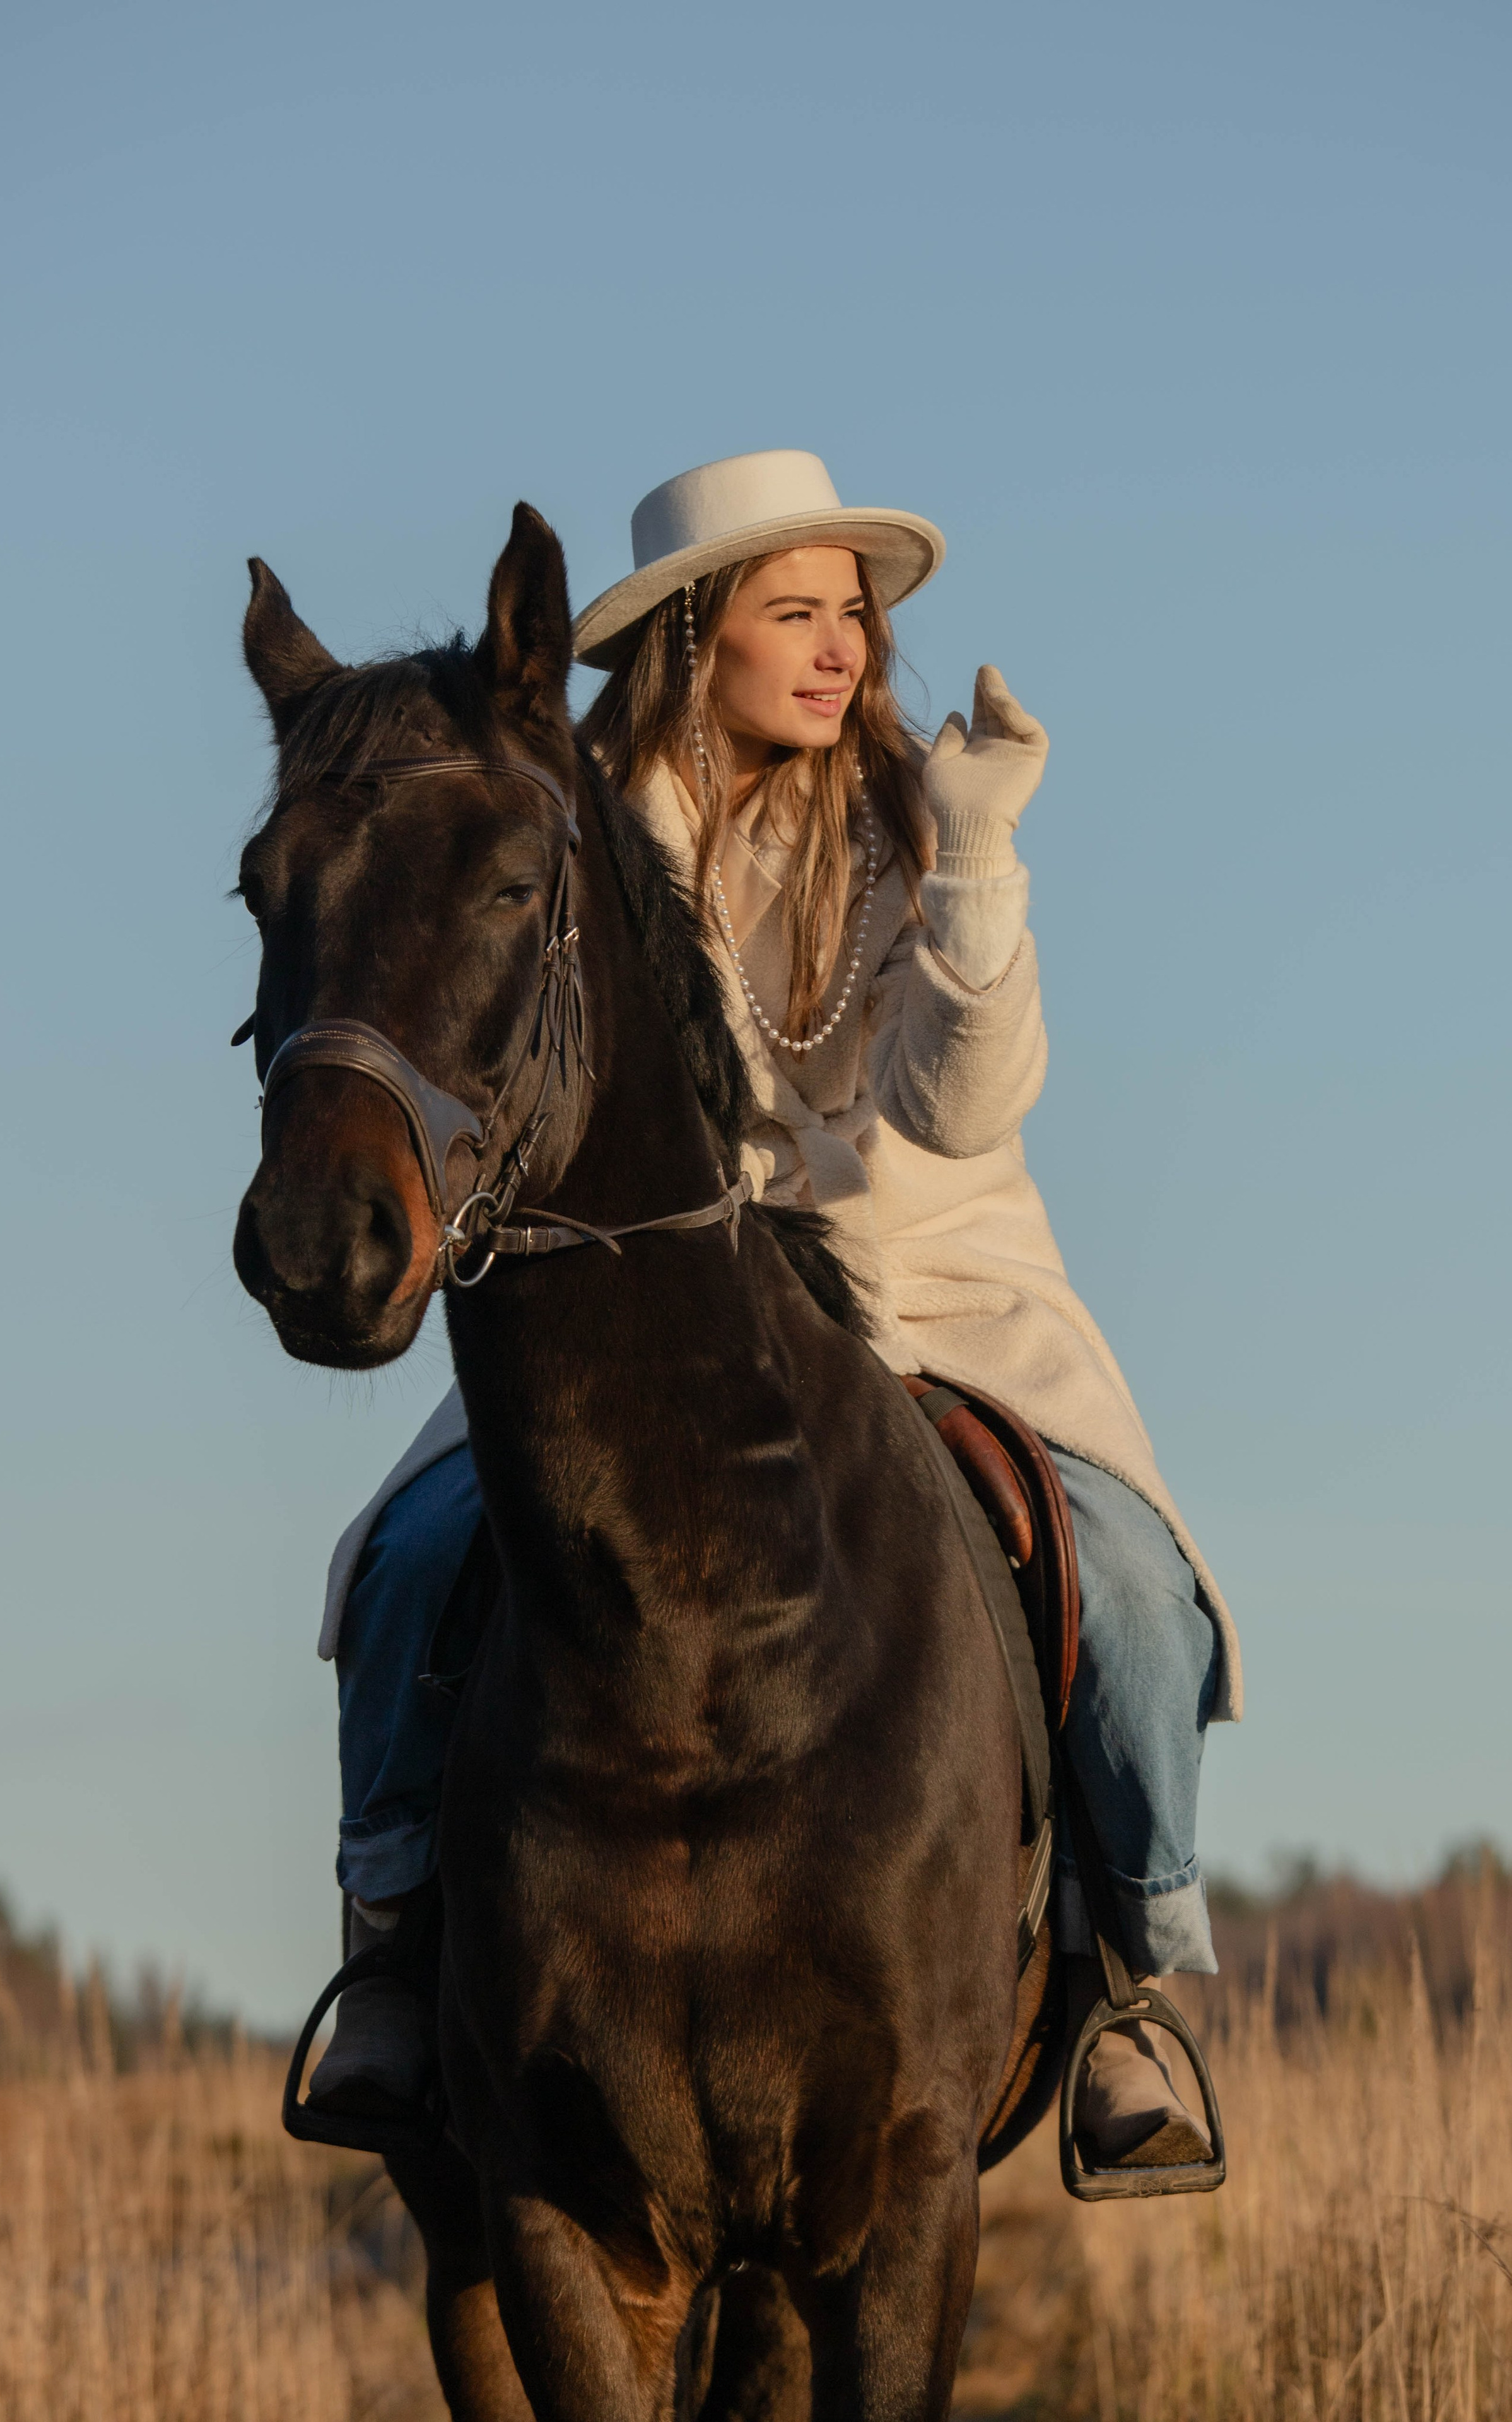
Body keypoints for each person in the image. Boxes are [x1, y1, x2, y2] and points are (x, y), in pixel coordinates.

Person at [305, 450, 1239, 2170]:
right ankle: (392, 1950)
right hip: (651, 1319)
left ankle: (1128, 1987)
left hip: (938, 1302)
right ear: (689, 639)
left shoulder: (915, 823)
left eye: (853, 615)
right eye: (794, 612)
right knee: (409, 1564)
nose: (844, 650)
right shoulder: (570, 823)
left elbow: (965, 1111)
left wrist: (976, 853)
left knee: (1136, 1591)